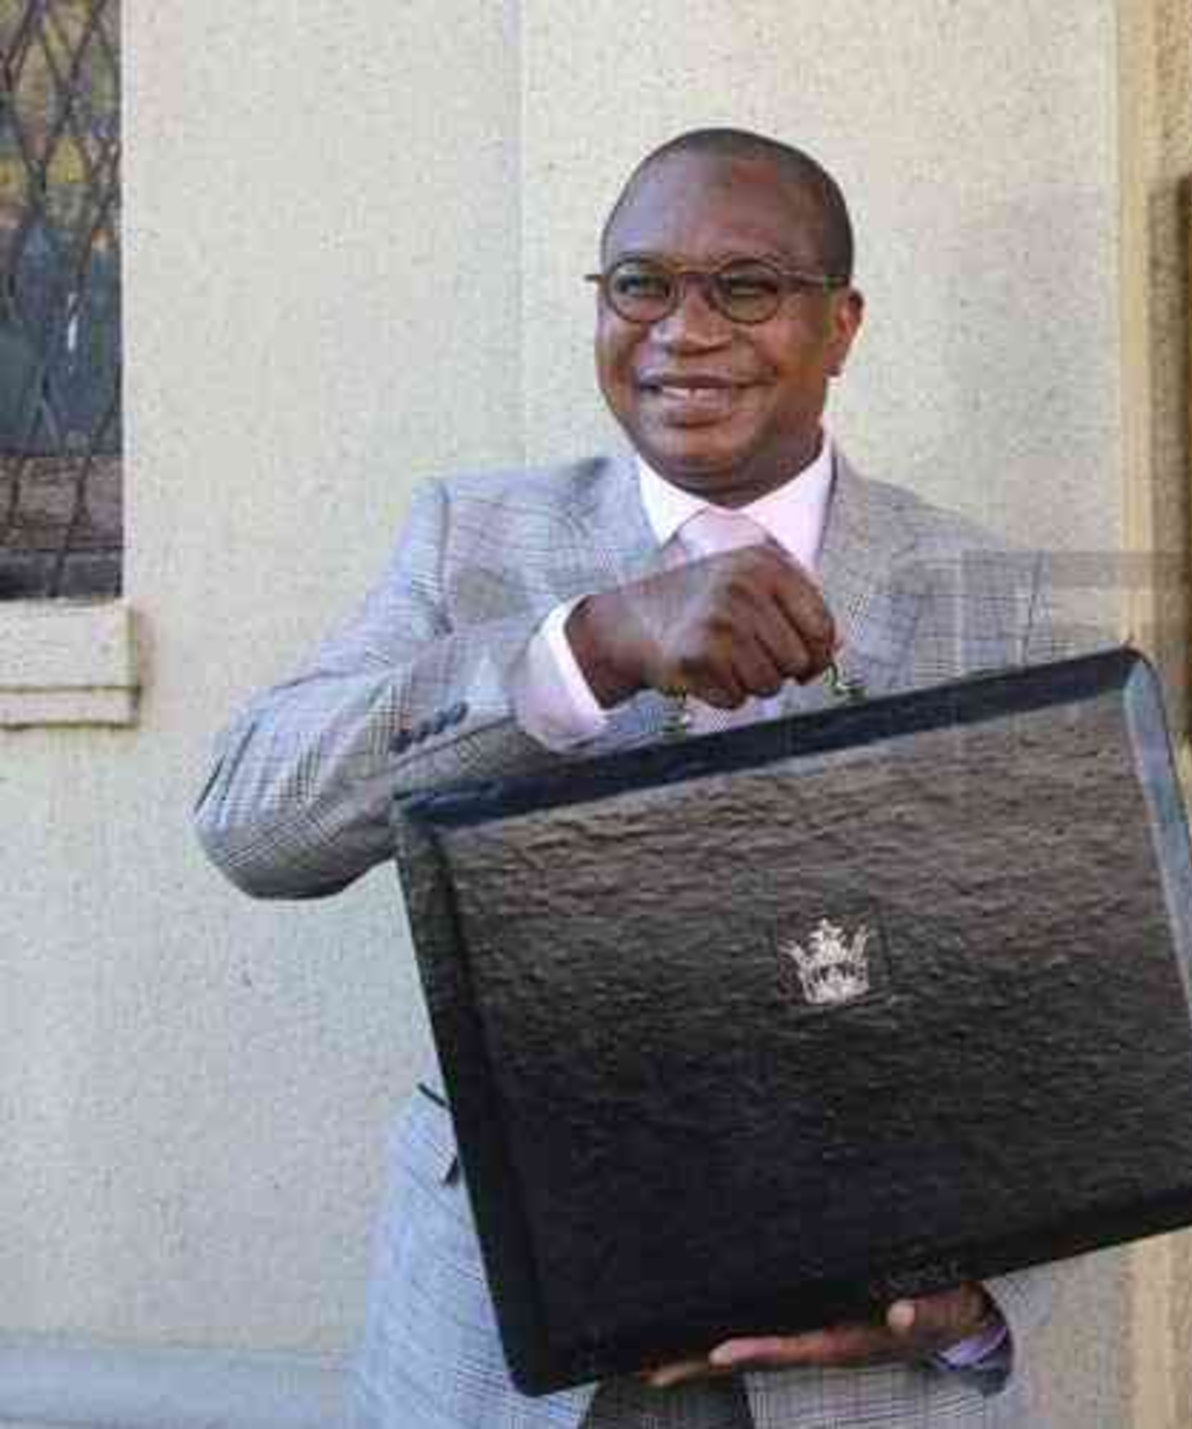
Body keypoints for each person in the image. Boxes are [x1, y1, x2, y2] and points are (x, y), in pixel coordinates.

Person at [194, 127, 1092, 1428]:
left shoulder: (988, 598)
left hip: (858, 1373)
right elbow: (252, 823)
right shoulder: (471, 543)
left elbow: (1076, 1003)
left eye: (747, 287)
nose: (685, 330)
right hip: (518, 1358)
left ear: (840, 326)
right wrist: (587, 646)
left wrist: (981, 1299)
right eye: (641, 284)